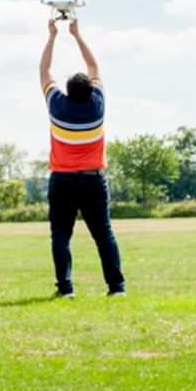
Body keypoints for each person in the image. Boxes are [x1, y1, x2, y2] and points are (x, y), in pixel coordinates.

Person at [40, 16, 124, 298]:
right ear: (90, 91)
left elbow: (44, 69)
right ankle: (117, 288)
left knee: (61, 236)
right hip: (93, 180)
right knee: (104, 234)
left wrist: (52, 35)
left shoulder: (57, 105)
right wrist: (77, 34)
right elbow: (94, 67)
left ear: (67, 91)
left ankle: (66, 290)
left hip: (62, 180)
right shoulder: (97, 105)